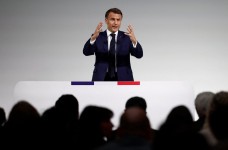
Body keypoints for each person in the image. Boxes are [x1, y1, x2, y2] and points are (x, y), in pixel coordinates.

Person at [83, 8, 143, 81]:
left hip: (123, 77)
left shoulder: (127, 37)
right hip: (101, 77)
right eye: (112, 19)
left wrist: (134, 41)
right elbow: (86, 52)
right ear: (106, 20)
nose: (115, 23)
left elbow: (139, 55)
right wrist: (93, 38)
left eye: (118, 20)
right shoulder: (98, 36)